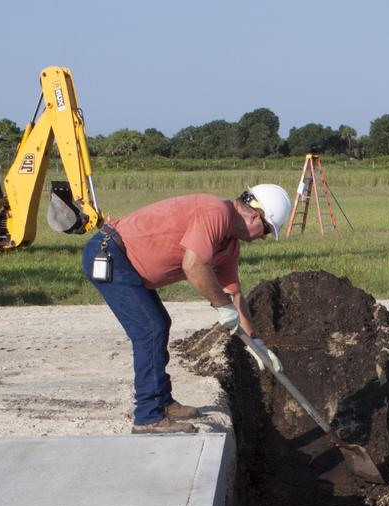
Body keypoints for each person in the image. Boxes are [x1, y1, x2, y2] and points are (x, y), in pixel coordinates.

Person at [81, 184, 293, 434]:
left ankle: (162, 401)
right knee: (150, 329)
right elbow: (194, 265)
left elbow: (233, 293)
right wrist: (221, 306)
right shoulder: (216, 212)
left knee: (159, 324)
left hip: (128, 264)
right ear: (255, 215)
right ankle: (148, 416)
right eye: (266, 229)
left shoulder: (229, 244)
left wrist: (257, 344)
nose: (264, 236)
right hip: (111, 255)